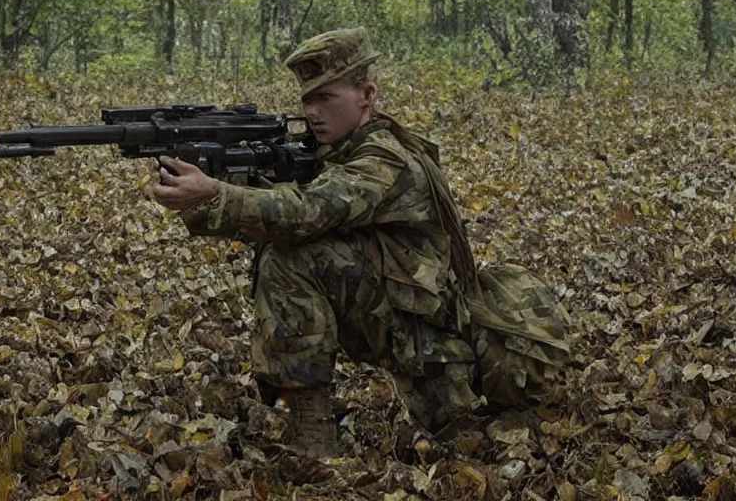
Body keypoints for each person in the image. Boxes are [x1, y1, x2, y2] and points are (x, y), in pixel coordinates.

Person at [149, 27, 571, 457]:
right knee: (287, 256)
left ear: (367, 95)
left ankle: (318, 434)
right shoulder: (337, 150)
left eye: (326, 98)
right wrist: (204, 191)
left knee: (466, 447)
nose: (313, 111)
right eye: (306, 100)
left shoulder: (384, 159)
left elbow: (306, 211)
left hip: (434, 343)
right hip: (398, 325)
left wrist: (216, 193)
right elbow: (270, 210)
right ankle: (308, 425)